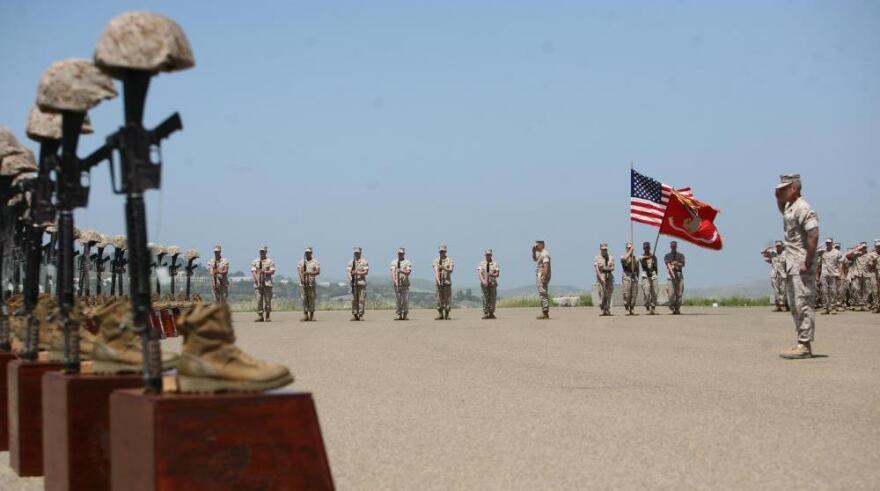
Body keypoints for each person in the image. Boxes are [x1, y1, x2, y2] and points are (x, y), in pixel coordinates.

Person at [775, 174, 819, 359]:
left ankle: (805, 345)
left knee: (803, 303)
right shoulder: (790, 208)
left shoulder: (803, 207)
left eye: (784, 188)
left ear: (793, 188)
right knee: (795, 304)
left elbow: (813, 233)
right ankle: (801, 342)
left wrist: (807, 260)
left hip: (801, 263)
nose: (781, 191)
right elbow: (783, 212)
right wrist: (778, 198)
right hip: (792, 263)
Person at [250, 246, 275, 322]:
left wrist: (265, 272)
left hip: (267, 283)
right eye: (261, 251)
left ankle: (267, 316)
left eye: (263, 251)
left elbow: (272, 271)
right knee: (259, 300)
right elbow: (253, 271)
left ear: (266, 252)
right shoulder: (255, 261)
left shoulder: (270, 261)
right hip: (258, 284)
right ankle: (260, 316)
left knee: (268, 300)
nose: (262, 253)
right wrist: (256, 280)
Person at [816, 238, 841, 314]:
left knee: (833, 291)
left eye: (829, 243)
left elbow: (840, 263)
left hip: (833, 274)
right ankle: (825, 307)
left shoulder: (837, 252)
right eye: (826, 243)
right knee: (824, 291)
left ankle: (833, 307)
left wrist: (840, 274)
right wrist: (822, 244)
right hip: (824, 274)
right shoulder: (822, 252)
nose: (828, 244)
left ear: (832, 243)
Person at [762, 241, 788, 311]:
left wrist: (785, 245)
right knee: (776, 290)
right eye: (777, 246)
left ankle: (783, 304)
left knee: (783, 290)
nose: (778, 247)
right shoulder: (772, 253)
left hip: (783, 274)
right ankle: (778, 305)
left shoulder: (786, 253)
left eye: (779, 246)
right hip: (774, 274)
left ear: (782, 246)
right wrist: (769, 247)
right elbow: (763, 253)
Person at [297, 247, 320, 322]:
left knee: (311, 299)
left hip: (311, 283)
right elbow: (299, 272)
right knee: (304, 299)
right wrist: (302, 279)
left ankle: (312, 316)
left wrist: (309, 273)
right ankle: (305, 315)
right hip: (303, 284)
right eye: (306, 252)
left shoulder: (315, 262)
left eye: (309, 252)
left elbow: (318, 272)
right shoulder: (301, 262)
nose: (307, 254)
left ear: (311, 253)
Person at [433, 245, 455, 320]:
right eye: (440, 251)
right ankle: (440, 314)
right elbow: (435, 270)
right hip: (439, 283)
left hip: (446, 282)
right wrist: (438, 280)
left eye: (443, 251)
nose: (441, 253)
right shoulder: (436, 260)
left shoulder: (449, 260)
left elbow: (451, 270)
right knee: (439, 299)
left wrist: (444, 268)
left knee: (447, 299)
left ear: (445, 251)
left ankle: (447, 314)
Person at [347, 247, 369, 321]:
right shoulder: (351, 262)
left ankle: (361, 314)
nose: (356, 254)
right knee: (354, 300)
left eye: (358, 253)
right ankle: (355, 315)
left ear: (360, 253)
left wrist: (358, 273)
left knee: (361, 300)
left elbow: (366, 272)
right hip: (354, 284)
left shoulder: (364, 262)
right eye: (355, 253)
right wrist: (351, 279)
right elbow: (348, 272)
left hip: (361, 283)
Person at [390, 248, 412, 320]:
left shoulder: (407, 262)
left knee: (405, 300)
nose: (400, 254)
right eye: (399, 253)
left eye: (401, 253)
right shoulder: (394, 262)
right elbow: (392, 272)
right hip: (397, 284)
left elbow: (408, 272)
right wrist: (394, 281)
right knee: (398, 300)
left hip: (405, 284)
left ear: (404, 254)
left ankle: (405, 314)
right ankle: (399, 314)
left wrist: (401, 270)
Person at [664, 241, 686, 315]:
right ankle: (671, 306)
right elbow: (668, 264)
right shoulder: (667, 255)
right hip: (670, 276)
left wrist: (677, 263)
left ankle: (677, 309)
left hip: (679, 275)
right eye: (672, 246)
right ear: (670, 247)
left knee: (679, 294)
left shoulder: (681, 255)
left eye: (674, 246)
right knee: (671, 294)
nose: (673, 248)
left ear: (676, 247)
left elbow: (683, 264)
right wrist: (672, 272)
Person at [478, 249, 500, 319]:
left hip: (492, 283)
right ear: (485, 255)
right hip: (484, 284)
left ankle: (491, 313)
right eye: (487, 254)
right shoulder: (481, 263)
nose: (488, 256)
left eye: (489, 254)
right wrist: (483, 281)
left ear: (491, 255)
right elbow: (479, 273)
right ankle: (485, 313)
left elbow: (497, 274)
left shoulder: (495, 263)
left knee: (492, 299)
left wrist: (491, 274)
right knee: (484, 298)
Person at [532, 240, 552, 320]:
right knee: (542, 293)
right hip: (540, 275)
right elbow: (535, 259)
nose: (536, 247)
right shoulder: (541, 253)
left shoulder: (545, 254)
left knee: (543, 293)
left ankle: (545, 313)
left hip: (542, 276)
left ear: (542, 245)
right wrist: (533, 251)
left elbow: (546, 265)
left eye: (537, 246)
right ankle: (544, 312)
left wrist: (544, 277)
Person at [594, 243, 614, 316]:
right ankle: (603, 308)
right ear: (600, 249)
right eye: (603, 249)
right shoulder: (597, 258)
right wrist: (601, 277)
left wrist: (609, 268)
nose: (604, 250)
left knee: (609, 293)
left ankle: (608, 309)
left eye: (605, 249)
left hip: (609, 276)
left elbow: (613, 268)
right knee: (602, 294)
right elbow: (597, 269)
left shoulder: (611, 257)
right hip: (601, 276)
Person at [620, 242, 640, 315]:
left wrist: (637, 277)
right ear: (626, 248)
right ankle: (626, 308)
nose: (629, 249)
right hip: (626, 276)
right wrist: (630, 251)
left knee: (634, 294)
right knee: (627, 294)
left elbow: (638, 269)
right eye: (628, 248)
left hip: (634, 277)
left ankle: (632, 308)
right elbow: (624, 259)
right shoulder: (623, 256)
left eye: (630, 248)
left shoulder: (636, 258)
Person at [639, 242, 659, 315]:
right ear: (644, 248)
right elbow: (643, 259)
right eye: (645, 248)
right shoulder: (641, 256)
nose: (647, 249)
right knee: (647, 292)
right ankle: (647, 306)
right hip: (645, 276)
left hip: (653, 276)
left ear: (649, 248)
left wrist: (655, 273)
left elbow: (656, 267)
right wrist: (651, 256)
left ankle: (653, 308)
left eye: (648, 247)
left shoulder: (654, 257)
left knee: (655, 292)